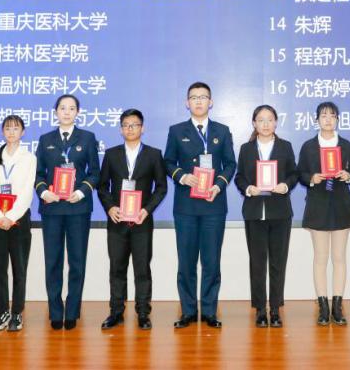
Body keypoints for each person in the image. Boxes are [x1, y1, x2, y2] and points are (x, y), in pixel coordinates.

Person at [164, 81, 237, 329]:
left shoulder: (222, 131)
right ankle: (187, 311)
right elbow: (168, 161)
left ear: (211, 102)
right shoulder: (177, 131)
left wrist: (219, 185)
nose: (198, 101)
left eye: (203, 97)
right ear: (187, 103)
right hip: (185, 206)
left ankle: (209, 311)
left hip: (213, 205)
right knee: (186, 262)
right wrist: (182, 176)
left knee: (211, 262)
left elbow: (230, 164)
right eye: (193, 97)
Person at [97, 109, 169, 331]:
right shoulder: (111, 154)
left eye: (134, 124)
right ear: (120, 129)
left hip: (141, 222)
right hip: (117, 222)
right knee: (116, 268)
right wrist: (110, 207)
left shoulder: (154, 154)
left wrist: (147, 210)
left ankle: (143, 313)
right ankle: (116, 312)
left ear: (142, 128)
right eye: (126, 125)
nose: (130, 128)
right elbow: (102, 186)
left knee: (142, 269)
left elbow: (161, 187)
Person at [34, 94, 101, 330]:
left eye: (72, 108)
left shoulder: (87, 138)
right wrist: (44, 192)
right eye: (62, 108)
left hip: (78, 208)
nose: (67, 112)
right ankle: (55, 311)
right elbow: (38, 173)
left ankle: (72, 311)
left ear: (77, 113)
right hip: (52, 208)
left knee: (77, 261)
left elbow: (95, 172)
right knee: (53, 261)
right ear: (56, 112)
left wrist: (82, 192)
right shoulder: (45, 139)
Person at [234, 105, 298, 328]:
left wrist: (285, 185)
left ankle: (276, 309)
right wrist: (248, 188)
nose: (265, 124)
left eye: (270, 119)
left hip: (280, 212)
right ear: (254, 123)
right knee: (257, 263)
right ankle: (260, 309)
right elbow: (239, 177)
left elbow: (294, 174)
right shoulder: (246, 149)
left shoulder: (285, 146)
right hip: (254, 212)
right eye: (261, 120)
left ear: (276, 123)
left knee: (278, 262)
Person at [297, 101, 350, 326]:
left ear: (338, 119)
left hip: (341, 205)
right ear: (317, 120)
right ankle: (323, 306)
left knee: (339, 257)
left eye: (332, 115)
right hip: (318, 205)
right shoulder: (308, 146)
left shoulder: (346, 145)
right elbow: (300, 173)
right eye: (324, 116)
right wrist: (312, 178)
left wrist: (348, 175)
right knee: (320, 258)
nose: (328, 119)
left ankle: (337, 306)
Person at [0, 114, 36, 332]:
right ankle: (2, 311)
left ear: (23, 132)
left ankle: (17, 313)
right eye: (7, 128)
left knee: (19, 269)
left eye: (16, 128)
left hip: (19, 221)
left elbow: (27, 191)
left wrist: (11, 217)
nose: (11, 132)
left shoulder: (29, 158)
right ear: (2, 132)